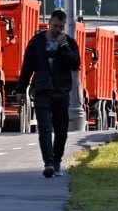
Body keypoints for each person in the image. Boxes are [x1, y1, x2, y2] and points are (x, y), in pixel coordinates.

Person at [17, 9, 82, 178]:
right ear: (48, 24)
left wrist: (64, 46)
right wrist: (20, 90)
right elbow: (27, 67)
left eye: (61, 27)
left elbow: (75, 64)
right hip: (42, 91)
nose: (58, 30)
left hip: (61, 92)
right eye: (55, 26)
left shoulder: (69, 43)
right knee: (45, 128)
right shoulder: (37, 42)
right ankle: (48, 163)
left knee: (61, 130)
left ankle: (57, 160)